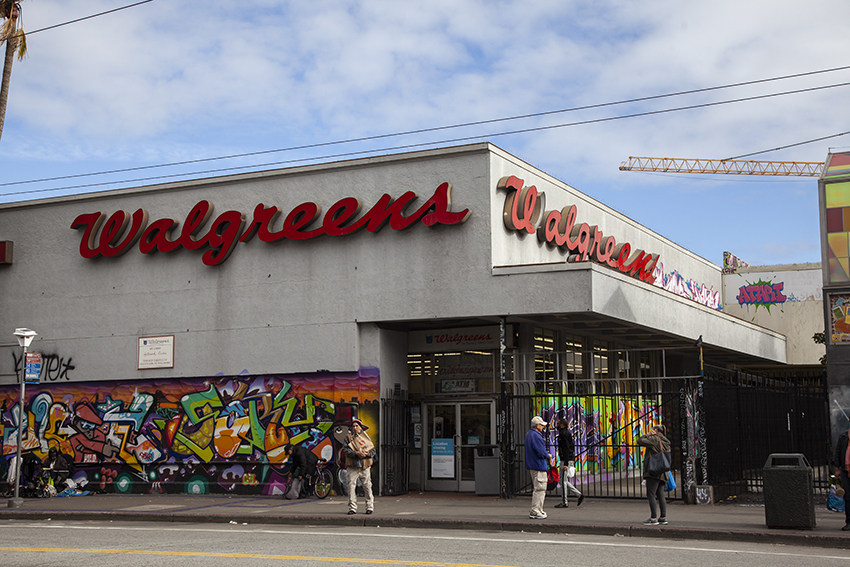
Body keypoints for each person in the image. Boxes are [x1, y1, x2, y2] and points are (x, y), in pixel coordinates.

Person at [637, 424, 671, 525]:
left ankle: (653, 518)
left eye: (653, 429)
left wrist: (648, 434)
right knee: (660, 495)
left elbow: (640, 441)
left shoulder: (655, 439)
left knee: (651, 494)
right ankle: (663, 517)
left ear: (655, 430)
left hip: (654, 471)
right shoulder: (666, 441)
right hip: (663, 472)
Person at [343, 418, 375, 515]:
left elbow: (373, 451)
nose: (355, 428)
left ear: (361, 427)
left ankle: (369, 506)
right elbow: (346, 450)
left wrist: (367, 454)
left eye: (357, 426)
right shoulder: (348, 438)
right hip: (353, 466)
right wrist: (356, 453)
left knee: (367, 486)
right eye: (353, 426)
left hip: (364, 465)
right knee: (351, 486)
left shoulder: (366, 437)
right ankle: (352, 508)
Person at [554, 419, 583, 508]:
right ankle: (578, 494)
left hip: (565, 459)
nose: (556, 425)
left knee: (563, 481)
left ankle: (564, 502)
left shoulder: (563, 434)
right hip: (568, 458)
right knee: (563, 480)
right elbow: (571, 447)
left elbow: (566, 448)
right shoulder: (567, 433)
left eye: (558, 424)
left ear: (562, 425)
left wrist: (566, 463)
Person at [525, 415, 550, 519]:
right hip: (538, 465)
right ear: (537, 425)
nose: (543, 427)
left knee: (537, 488)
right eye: (542, 425)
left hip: (532, 465)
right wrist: (548, 455)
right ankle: (536, 510)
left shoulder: (529, 434)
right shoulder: (536, 435)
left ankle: (537, 509)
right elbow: (540, 451)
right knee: (540, 489)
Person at [833, 425, 850, 531]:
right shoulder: (843, 436)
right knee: (848, 497)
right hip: (845, 471)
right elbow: (838, 452)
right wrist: (837, 469)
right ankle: (849, 521)